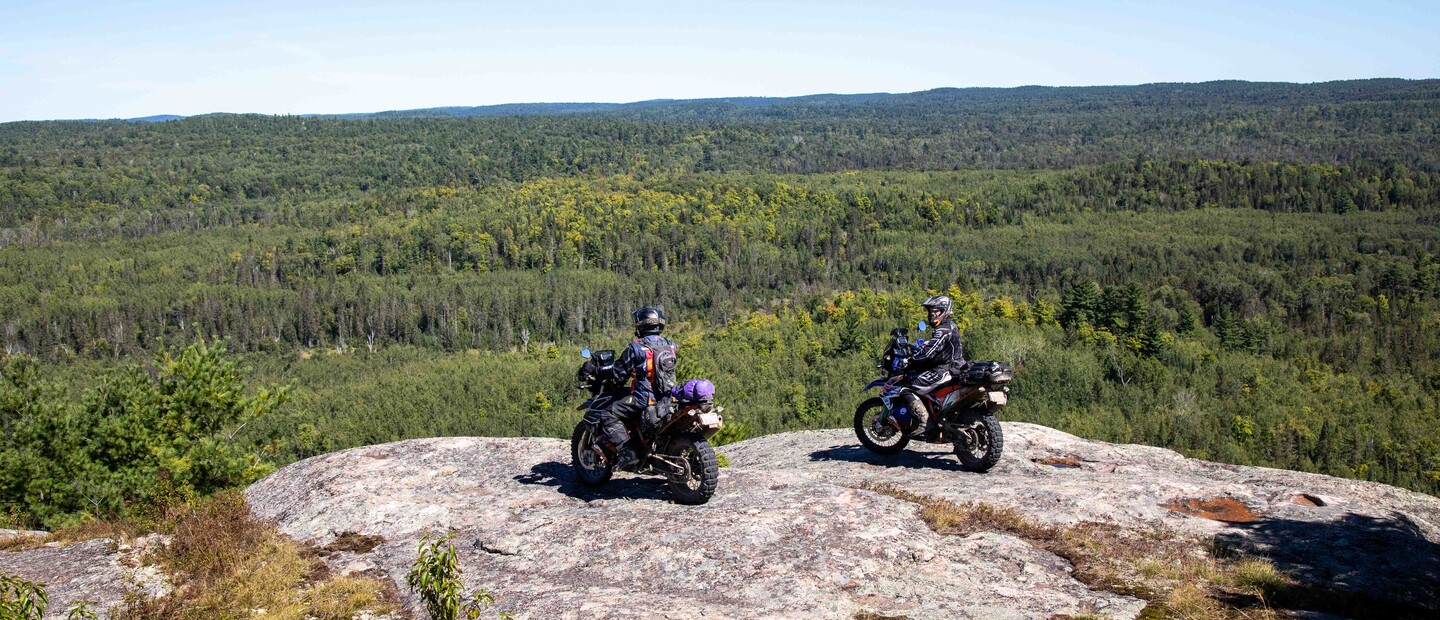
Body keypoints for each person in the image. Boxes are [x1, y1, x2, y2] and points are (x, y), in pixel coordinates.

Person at [596, 306, 679, 470]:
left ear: (641, 325)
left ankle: (627, 451)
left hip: (644, 399)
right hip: (667, 398)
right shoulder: (671, 345)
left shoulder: (636, 348)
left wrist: (611, 380)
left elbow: (619, 374)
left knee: (607, 413)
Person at [898, 295, 966, 439]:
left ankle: (924, 421)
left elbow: (928, 353)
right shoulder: (950, 325)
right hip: (956, 366)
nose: (932, 314)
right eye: (931, 311)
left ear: (944, 311)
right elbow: (938, 345)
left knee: (906, 387)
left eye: (936, 311)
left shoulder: (942, 330)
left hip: (944, 370)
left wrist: (909, 360)